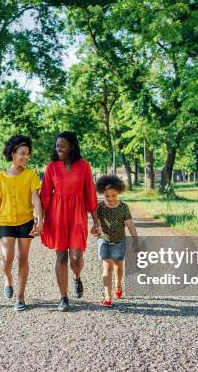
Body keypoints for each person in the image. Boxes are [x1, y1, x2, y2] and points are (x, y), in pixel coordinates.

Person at [40, 132, 100, 312]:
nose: (58, 149)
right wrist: (39, 221)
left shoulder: (84, 167)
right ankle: (63, 297)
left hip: (77, 215)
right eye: (57, 146)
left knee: (76, 257)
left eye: (62, 146)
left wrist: (96, 222)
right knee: (61, 256)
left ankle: (77, 276)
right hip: (56, 215)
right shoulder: (51, 167)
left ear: (72, 146)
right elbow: (44, 197)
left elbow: (90, 195)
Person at [0, 135, 43, 312]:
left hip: (26, 221)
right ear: (13, 153)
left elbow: (36, 199)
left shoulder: (31, 174)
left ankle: (20, 297)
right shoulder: (0, 177)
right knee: (7, 259)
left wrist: (40, 220)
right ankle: (8, 279)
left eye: (28, 154)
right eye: (22, 153)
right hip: (6, 222)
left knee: (23, 258)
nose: (26, 157)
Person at [95, 175, 138, 307]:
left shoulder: (123, 207)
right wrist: (95, 229)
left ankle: (118, 285)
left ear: (118, 192)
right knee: (107, 266)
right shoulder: (100, 207)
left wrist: (135, 240)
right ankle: (108, 296)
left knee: (118, 265)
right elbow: (95, 223)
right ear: (103, 194)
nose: (110, 199)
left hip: (119, 241)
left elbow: (130, 224)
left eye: (113, 196)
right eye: (107, 196)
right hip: (104, 240)